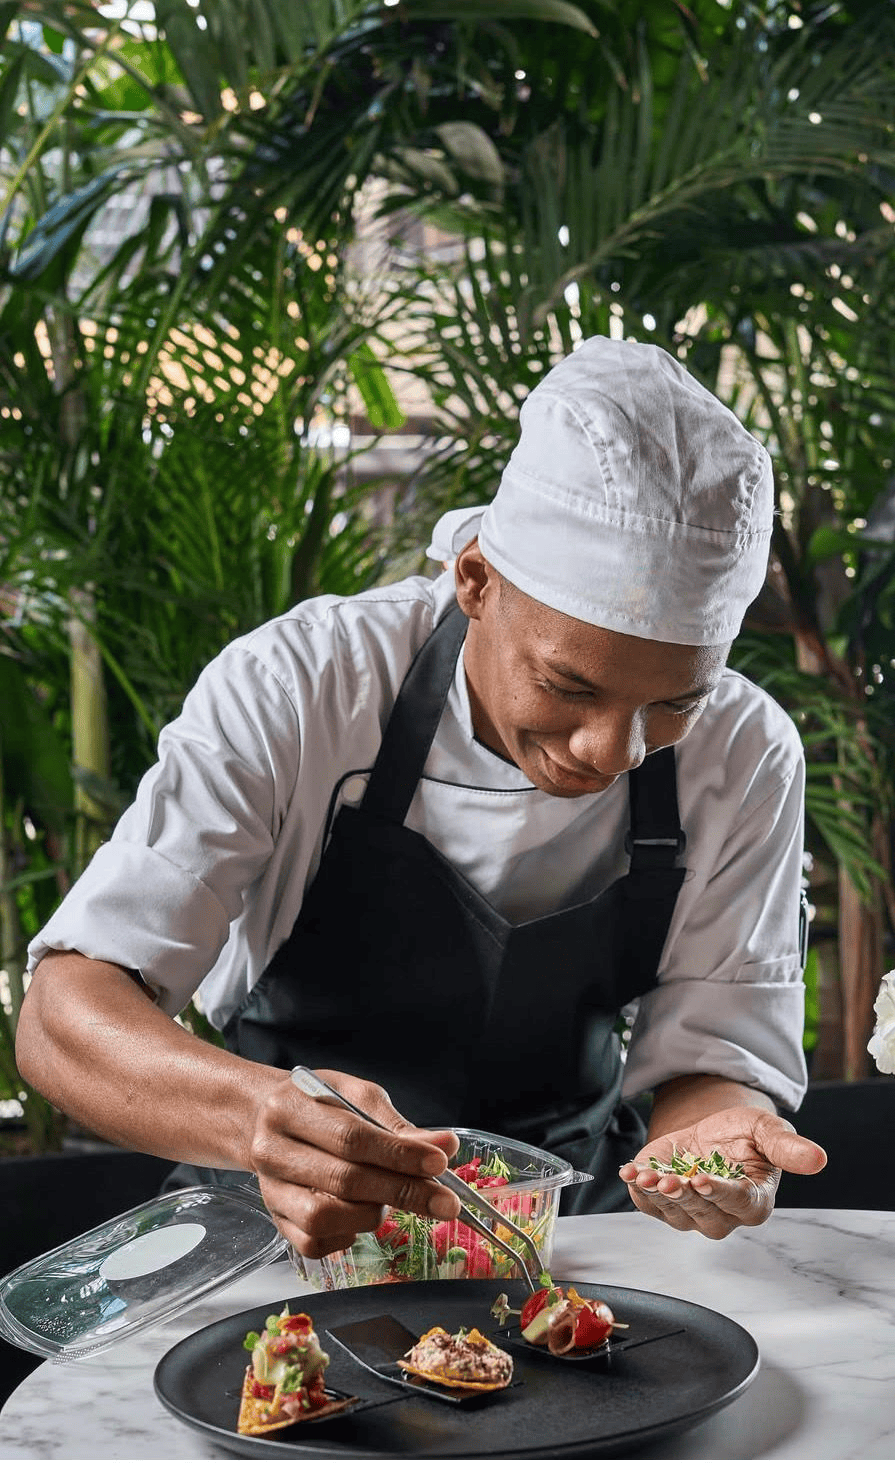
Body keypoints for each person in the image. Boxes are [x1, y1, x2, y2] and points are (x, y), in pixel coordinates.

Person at [16, 336, 825, 1260]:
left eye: (673, 702)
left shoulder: (747, 751)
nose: (610, 752)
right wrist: (261, 1118)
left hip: (564, 1244)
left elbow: (713, 1063)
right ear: (474, 580)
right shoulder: (301, 687)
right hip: (273, 1231)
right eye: (568, 687)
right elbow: (63, 1013)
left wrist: (714, 1138)